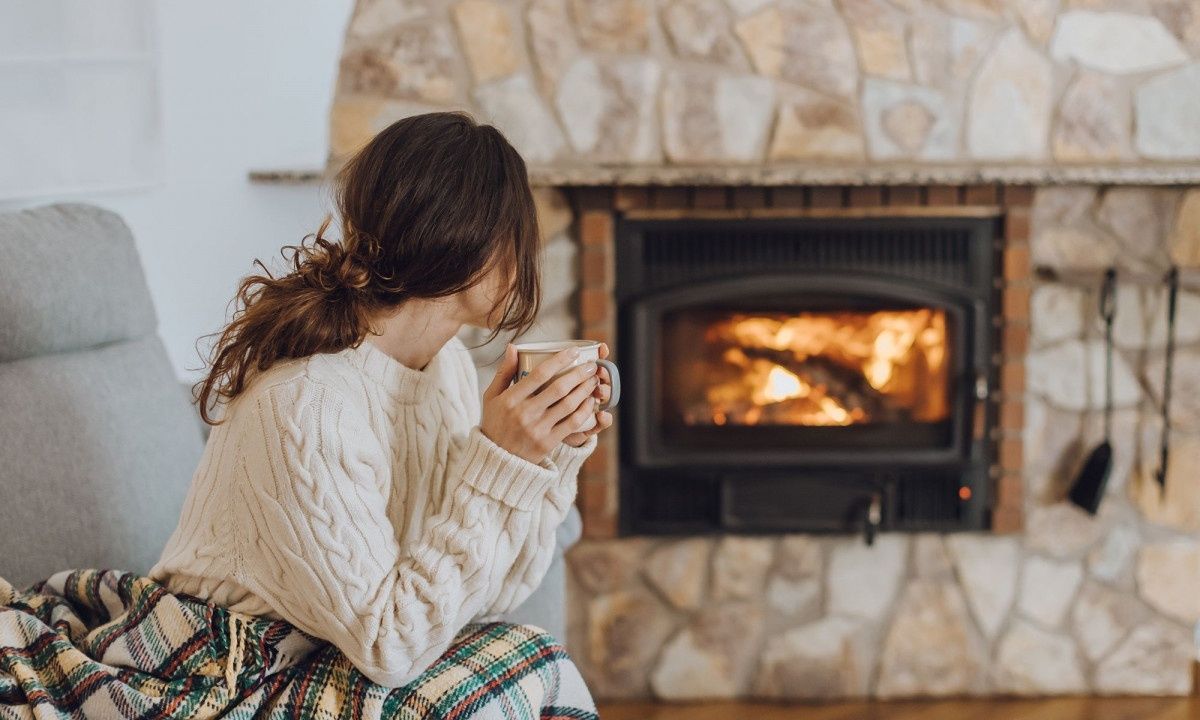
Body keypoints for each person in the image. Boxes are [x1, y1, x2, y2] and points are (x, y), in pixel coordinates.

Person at [148, 111, 612, 689]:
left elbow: (494, 595)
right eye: (518, 231)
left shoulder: (447, 370)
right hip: (223, 662)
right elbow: (390, 647)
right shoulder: (307, 406)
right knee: (522, 678)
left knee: (533, 658)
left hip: (333, 648)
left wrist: (548, 454)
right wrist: (501, 461)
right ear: (465, 239)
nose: (528, 253)